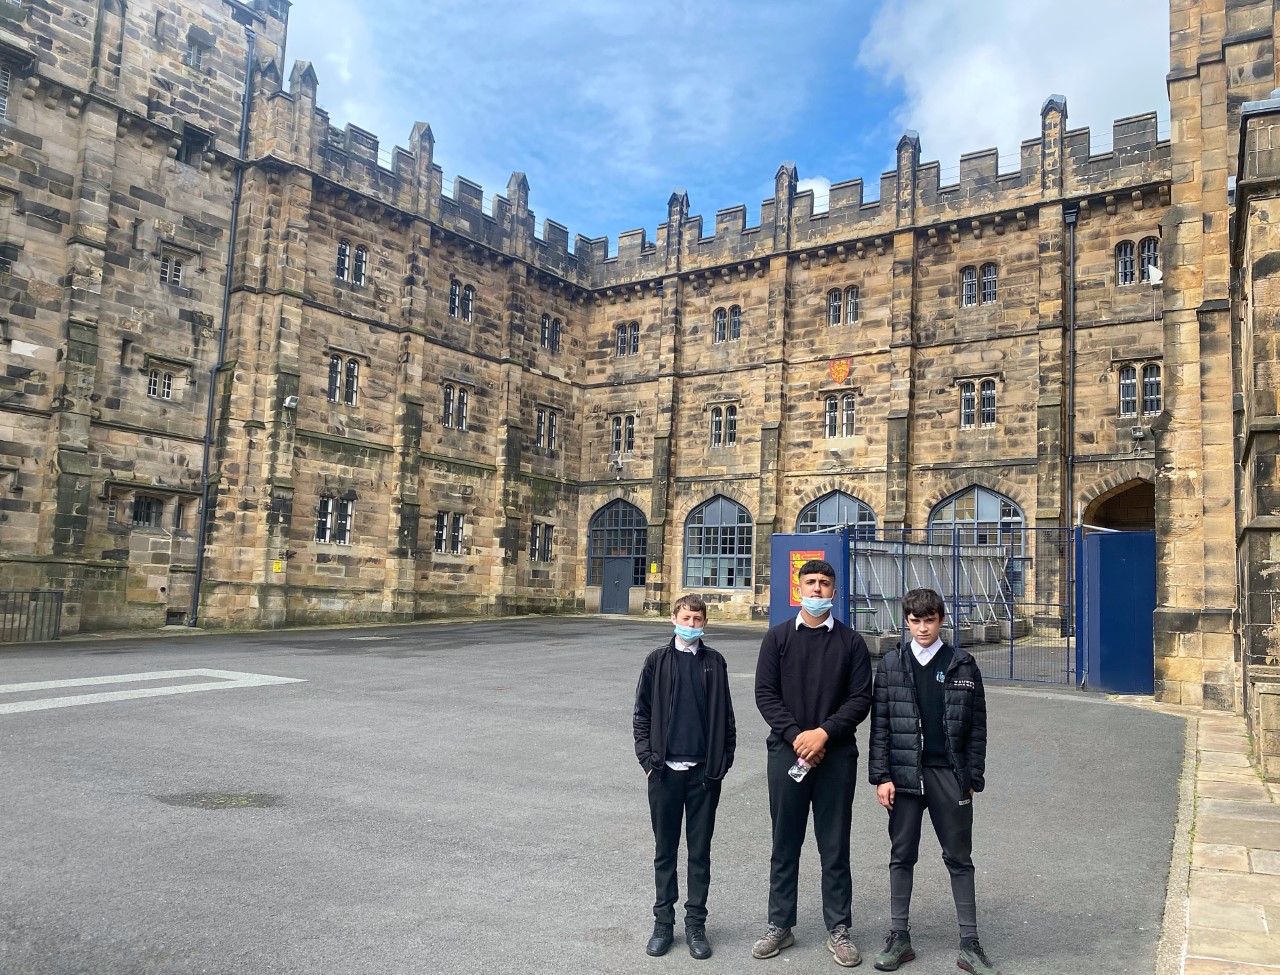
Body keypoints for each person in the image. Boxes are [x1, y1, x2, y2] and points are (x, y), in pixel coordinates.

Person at [867, 588, 1000, 975]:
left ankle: (970, 944)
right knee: (901, 855)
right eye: (915, 620)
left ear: (941, 619)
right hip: (905, 776)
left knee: (959, 858)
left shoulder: (962, 664)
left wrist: (972, 776)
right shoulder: (892, 664)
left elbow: (977, 726)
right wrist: (882, 776)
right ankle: (898, 937)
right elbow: (882, 726)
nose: (922, 628)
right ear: (906, 621)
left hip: (949, 775)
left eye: (929, 620)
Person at [753, 559, 873, 967]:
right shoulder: (778, 638)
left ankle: (838, 929)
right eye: (811, 582)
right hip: (787, 754)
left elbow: (860, 699)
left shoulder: (851, 643)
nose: (817, 589)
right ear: (798, 588)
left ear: (834, 592)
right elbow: (766, 694)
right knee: (784, 842)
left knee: (834, 845)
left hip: (836, 756)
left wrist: (823, 733)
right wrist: (797, 738)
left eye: (824, 583)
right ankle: (780, 925)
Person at [633, 593, 736, 960]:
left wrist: (722, 762)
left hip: (703, 776)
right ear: (673, 618)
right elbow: (642, 714)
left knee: (700, 852)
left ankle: (696, 925)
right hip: (663, 773)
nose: (691, 625)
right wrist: (647, 759)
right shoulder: (657, 662)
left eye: (697, 620)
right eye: (686, 618)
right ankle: (663, 923)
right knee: (665, 851)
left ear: (705, 623)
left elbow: (727, 717)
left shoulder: (715, 663)